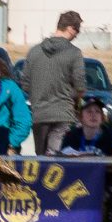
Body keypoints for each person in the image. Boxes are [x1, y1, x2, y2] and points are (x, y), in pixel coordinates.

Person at [20, 10, 84, 156]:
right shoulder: (74, 53)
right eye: (77, 30)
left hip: (39, 114)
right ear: (70, 28)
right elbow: (80, 86)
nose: (77, 34)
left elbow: (25, 84)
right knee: (58, 163)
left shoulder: (34, 52)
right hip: (64, 114)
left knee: (41, 162)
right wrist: (74, 97)